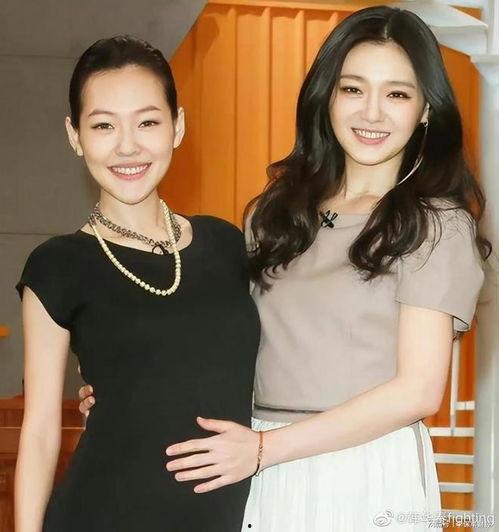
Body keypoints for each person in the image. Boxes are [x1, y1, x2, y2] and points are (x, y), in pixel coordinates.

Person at [81, 6, 489, 531]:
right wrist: (131, 390)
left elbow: (418, 391)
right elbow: (224, 342)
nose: (371, 113)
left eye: (397, 94)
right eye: (352, 89)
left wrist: (265, 449)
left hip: (362, 469)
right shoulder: (275, 213)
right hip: (256, 463)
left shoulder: (435, 225)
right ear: (327, 97)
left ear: (426, 109)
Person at [14, 35, 260, 532]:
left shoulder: (227, 244)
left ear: (178, 126)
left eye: (147, 122)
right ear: (74, 136)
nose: (127, 146)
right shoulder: (58, 266)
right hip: (103, 513)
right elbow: (39, 431)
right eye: (103, 125)